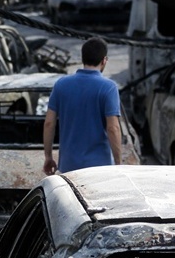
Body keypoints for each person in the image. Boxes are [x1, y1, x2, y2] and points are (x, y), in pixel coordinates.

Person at [43, 37, 121, 175]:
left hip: (68, 168)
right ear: (104, 60)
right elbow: (113, 128)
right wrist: (119, 163)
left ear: (82, 58)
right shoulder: (108, 88)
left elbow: (49, 123)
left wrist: (48, 157)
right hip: (100, 169)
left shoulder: (61, 85)